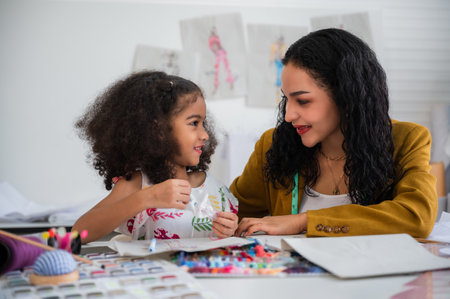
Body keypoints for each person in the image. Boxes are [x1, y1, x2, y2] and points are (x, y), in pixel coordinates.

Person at [232, 28, 437, 238]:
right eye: (286, 100)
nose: (288, 115)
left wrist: (304, 221)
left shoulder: (407, 140)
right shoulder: (274, 144)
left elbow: (417, 217)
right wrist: (199, 187)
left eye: (303, 101)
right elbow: (231, 212)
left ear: (346, 96)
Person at [72, 71, 238, 243]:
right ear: (157, 130)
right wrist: (147, 198)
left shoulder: (214, 188)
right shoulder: (139, 184)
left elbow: (229, 239)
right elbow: (78, 234)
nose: (205, 135)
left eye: (203, 123)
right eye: (194, 123)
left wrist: (230, 229)